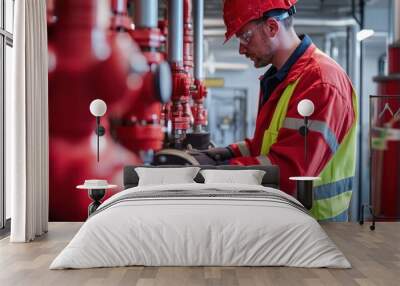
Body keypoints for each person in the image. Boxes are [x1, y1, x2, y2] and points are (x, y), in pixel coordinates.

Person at [203, 0, 358, 222]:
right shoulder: (280, 78)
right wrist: (225, 153)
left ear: (272, 27)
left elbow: (290, 170)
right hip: (287, 219)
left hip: (315, 227)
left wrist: (218, 171)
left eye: (245, 36)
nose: (241, 48)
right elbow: (266, 146)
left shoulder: (321, 82)